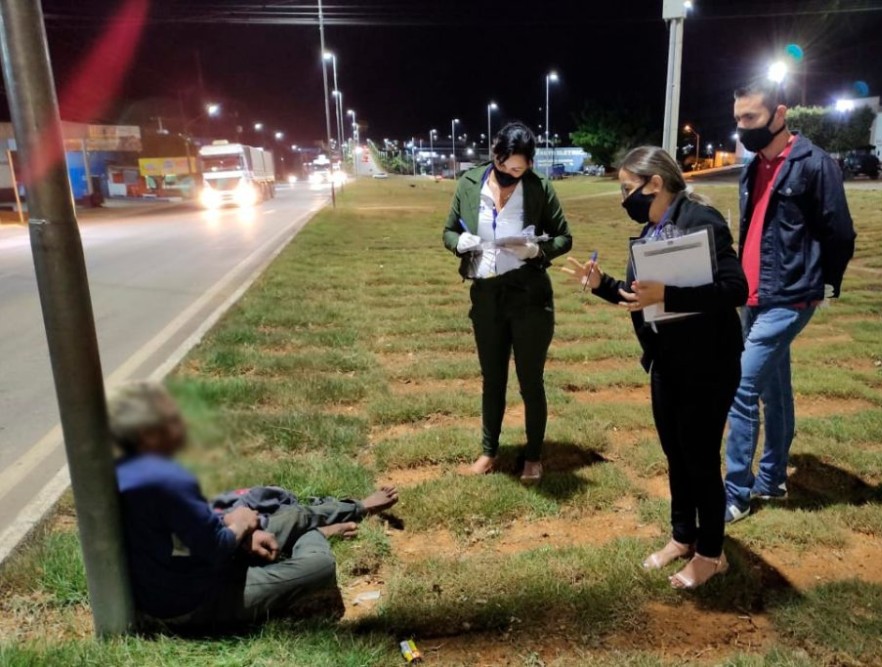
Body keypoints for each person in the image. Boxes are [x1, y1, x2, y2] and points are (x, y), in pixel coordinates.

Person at [563, 146, 747, 589]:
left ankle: (711, 553)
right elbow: (639, 296)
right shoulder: (652, 230)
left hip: (709, 363)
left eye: (628, 189)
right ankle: (683, 536)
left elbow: (735, 289)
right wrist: (603, 285)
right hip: (667, 362)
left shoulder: (702, 222)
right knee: (676, 454)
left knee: (700, 459)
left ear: (655, 184)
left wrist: (669, 295)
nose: (624, 198)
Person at [108, 381, 399, 633]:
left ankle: (358, 507)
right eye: (172, 419)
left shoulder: (124, 471)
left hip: (188, 573)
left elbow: (192, 531)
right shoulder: (167, 481)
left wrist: (239, 530)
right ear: (147, 434)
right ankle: (317, 536)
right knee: (319, 566)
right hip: (193, 603)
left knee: (292, 516)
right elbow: (217, 546)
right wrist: (243, 523)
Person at [724, 80, 856, 524]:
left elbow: (840, 233)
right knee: (772, 391)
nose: (743, 128)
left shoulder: (814, 165)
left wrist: (825, 286)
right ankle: (773, 479)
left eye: (752, 119)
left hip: (791, 296)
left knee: (740, 386)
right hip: (754, 295)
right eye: (738, 119)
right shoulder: (752, 166)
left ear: (779, 114)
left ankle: (734, 494)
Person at [442, 122, 573, 482]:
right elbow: (448, 229)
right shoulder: (469, 183)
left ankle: (533, 456)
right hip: (486, 294)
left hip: (529, 295)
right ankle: (489, 452)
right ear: (495, 156)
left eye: (521, 168)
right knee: (492, 378)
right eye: (506, 167)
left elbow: (564, 238)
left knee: (531, 380)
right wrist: (459, 243)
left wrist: (536, 250)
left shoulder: (539, 188)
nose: (513, 174)